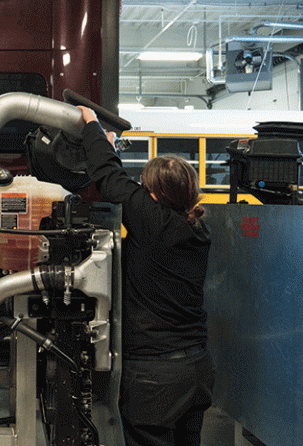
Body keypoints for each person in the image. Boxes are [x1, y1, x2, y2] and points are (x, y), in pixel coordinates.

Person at [78, 105, 215, 446]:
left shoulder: (155, 224)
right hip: (196, 368)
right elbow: (119, 181)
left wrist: (92, 126)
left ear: (153, 196)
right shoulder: (198, 231)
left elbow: (110, 180)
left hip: (156, 377)